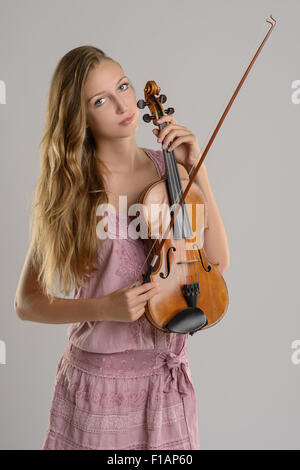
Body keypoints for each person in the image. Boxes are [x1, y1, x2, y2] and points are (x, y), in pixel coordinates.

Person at [14, 45, 230, 450]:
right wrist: (104, 307)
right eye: (101, 100)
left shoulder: (171, 173)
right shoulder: (70, 192)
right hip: (98, 389)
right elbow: (27, 303)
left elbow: (216, 263)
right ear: (81, 119)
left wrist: (197, 169)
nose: (122, 105)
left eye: (124, 87)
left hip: (165, 388)